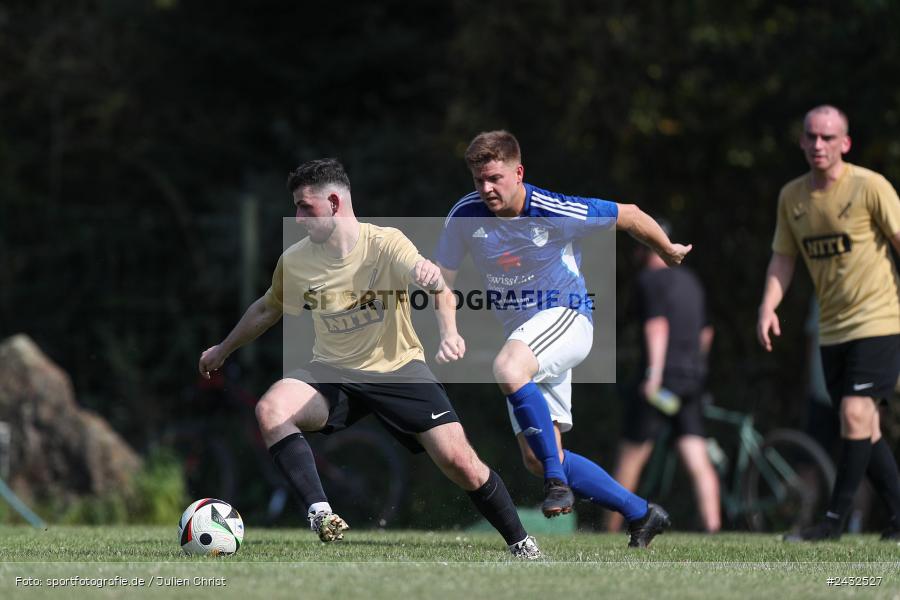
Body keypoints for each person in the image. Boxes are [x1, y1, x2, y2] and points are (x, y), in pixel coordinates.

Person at [199, 158, 542, 559]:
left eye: (305, 207)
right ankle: (321, 513)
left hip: (398, 370)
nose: (297, 217)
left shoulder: (385, 243)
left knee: (459, 462)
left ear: (333, 202)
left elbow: (437, 287)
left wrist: (449, 332)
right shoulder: (296, 260)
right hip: (332, 372)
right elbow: (266, 309)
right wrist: (222, 350)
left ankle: (522, 543)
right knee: (271, 409)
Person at [435, 130, 690, 547]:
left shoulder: (550, 207)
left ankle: (558, 483)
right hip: (527, 339)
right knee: (537, 456)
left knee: (507, 367)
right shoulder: (465, 215)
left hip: (567, 317)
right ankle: (642, 513)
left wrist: (667, 251)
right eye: (479, 180)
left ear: (518, 173)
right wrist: (449, 330)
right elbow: (443, 279)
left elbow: (628, 214)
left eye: (495, 178)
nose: (486, 188)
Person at [757, 105, 900, 541]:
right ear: (801, 141)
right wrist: (767, 307)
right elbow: (784, 258)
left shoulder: (869, 186)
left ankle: (833, 523)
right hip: (833, 329)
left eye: (828, 138)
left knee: (854, 414)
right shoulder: (792, 197)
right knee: (865, 427)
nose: (819, 145)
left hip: (879, 319)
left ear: (845, 143)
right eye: (811, 137)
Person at [607, 221, 721, 533]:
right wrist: (697, 367)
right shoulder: (691, 280)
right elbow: (706, 331)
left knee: (631, 455)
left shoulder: (650, 280)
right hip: (690, 380)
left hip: (662, 381)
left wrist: (653, 374)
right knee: (697, 457)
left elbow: (657, 326)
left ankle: (611, 527)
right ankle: (713, 526)